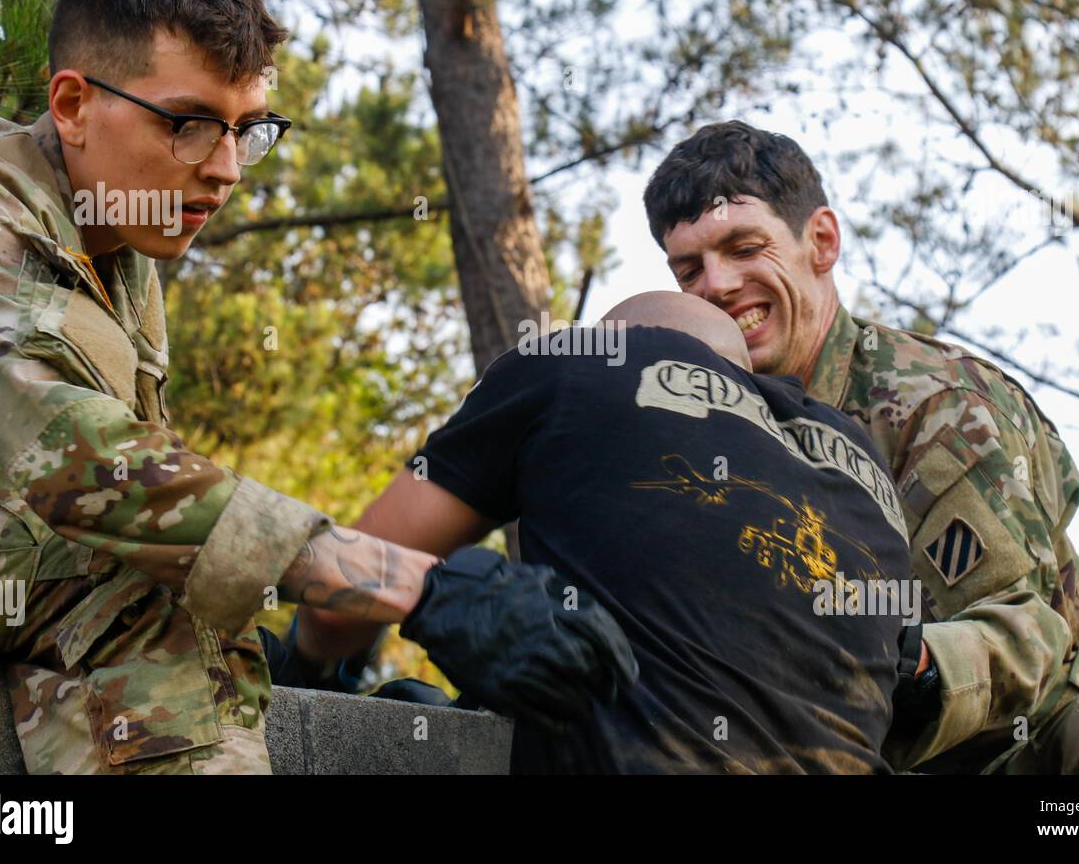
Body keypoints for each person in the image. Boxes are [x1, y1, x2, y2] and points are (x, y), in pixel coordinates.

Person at [0, 0, 634, 774]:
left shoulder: (120, 236)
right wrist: (412, 585)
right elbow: (91, 473)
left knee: (191, 584)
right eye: (189, 125)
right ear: (74, 105)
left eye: (245, 131)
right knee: (126, 560)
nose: (225, 170)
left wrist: (293, 663)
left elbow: (158, 490)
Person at [641, 119, 1079, 774]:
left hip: (1037, 743)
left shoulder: (935, 409)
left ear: (822, 242)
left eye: (744, 248)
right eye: (689, 269)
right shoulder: (704, 436)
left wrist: (887, 658)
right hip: (867, 758)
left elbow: (1026, 639)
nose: (716, 286)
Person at [307, 291, 916, 773]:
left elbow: (349, 593)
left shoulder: (574, 364)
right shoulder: (868, 476)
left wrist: (304, 661)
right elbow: (904, 672)